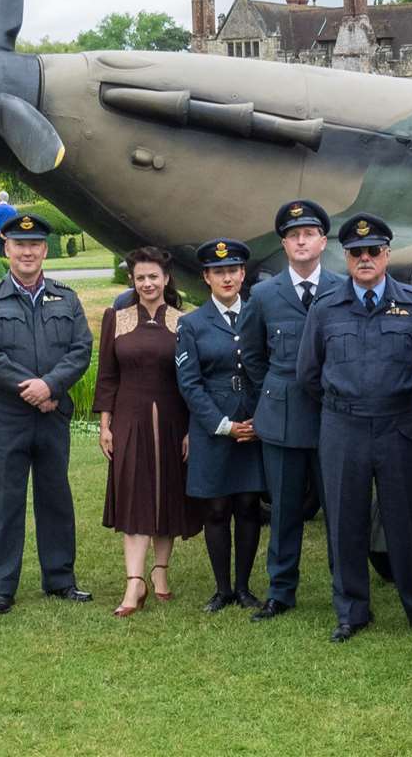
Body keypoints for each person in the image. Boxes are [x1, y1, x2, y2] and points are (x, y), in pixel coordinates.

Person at [296, 213, 412, 642]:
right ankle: (352, 612)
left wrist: (394, 402)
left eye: (373, 251)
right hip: (343, 426)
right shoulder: (326, 308)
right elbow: (308, 373)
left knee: (407, 521)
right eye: (356, 252)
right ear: (346, 257)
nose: (365, 258)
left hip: (399, 425)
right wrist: (348, 405)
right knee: (344, 521)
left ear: (387, 254)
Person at [0, 212, 94, 614]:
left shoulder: (67, 298)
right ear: (6, 248)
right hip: (7, 416)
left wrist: (52, 386)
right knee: (3, 500)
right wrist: (35, 388)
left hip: (53, 414)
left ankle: (60, 579)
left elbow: (80, 350)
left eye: (35, 245)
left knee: (55, 496)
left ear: (45, 249)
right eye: (19, 245)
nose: (27, 251)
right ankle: (2, 586)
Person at [239, 199, 343, 622]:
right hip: (282, 418)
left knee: (339, 508)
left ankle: (347, 588)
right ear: (284, 244)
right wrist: (274, 390)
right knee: (284, 508)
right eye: (294, 235)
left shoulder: (342, 288)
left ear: (322, 241)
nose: (302, 241)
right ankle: (281, 590)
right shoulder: (264, 294)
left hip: (333, 416)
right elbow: (251, 353)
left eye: (309, 234)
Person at [94, 247, 203, 616]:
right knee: (134, 493)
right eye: (140, 277)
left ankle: (160, 573)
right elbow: (107, 375)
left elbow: (190, 380)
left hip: (174, 419)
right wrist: (105, 424)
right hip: (128, 418)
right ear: (132, 280)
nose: (147, 283)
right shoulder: (117, 318)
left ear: (166, 279)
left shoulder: (183, 321)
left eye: (153, 276)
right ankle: (133, 582)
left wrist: (191, 429)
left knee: (167, 492)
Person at [175, 238, 265, 612]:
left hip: (254, 424)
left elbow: (270, 370)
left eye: (233, 270)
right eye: (218, 272)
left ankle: (244, 588)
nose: (227, 278)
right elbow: (189, 383)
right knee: (215, 509)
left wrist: (262, 419)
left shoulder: (259, 315)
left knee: (248, 506)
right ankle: (222, 589)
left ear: (243, 274)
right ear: (206, 277)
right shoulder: (191, 324)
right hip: (215, 428)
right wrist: (224, 425)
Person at [0, 190, 17, 257]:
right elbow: (15, 223)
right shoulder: (13, 209)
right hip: (9, 234)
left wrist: (0, 231)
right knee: (8, 254)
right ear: (7, 199)